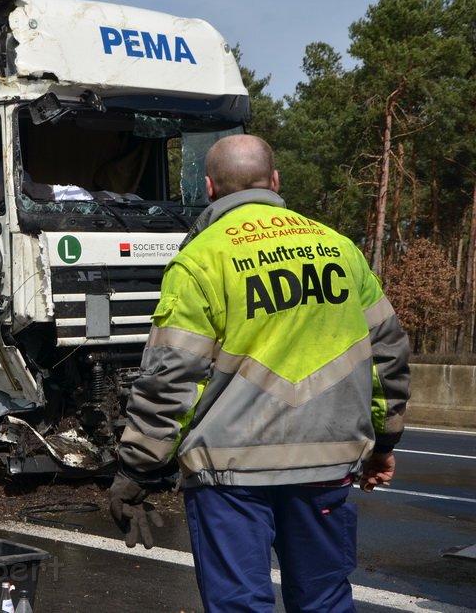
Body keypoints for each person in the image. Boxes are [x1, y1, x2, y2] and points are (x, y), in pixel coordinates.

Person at [109, 134, 411, 612]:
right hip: (326, 464)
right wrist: (384, 442)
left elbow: (172, 379)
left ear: (208, 188)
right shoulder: (339, 250)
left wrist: (138, 469)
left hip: (230, 475)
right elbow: (388, 352)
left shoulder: (199, 261)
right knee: (326, 601)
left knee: (239, 605)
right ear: (275, 180)